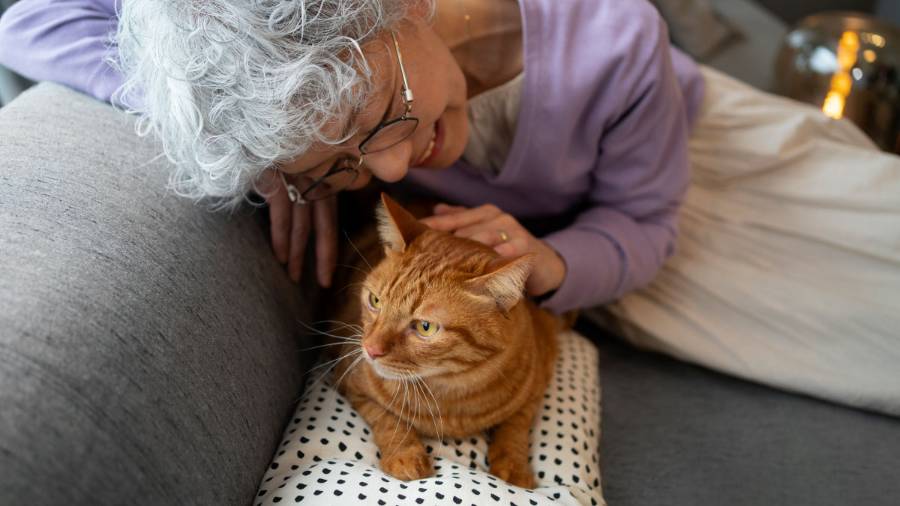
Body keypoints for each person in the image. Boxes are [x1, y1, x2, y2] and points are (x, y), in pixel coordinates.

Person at [2, 0, 898, 416]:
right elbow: (27, 20)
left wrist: (557, 261)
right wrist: (270, 150)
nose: (397, 162)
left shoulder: (611, 36)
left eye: (379, 118)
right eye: (347, 165)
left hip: (690, 160)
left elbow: (645, 218)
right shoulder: (325, 112)